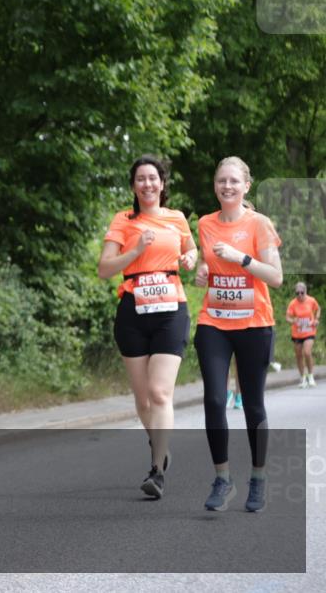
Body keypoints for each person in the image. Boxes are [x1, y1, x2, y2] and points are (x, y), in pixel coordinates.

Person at [97, 155, 196, 499]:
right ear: (133, 186)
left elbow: (192, 251)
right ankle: (159, 445)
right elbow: (105, 269)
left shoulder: (177, 218)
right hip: (133, 311)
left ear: (162, 183)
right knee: (142, 400)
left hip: (171, 309)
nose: (147, 184)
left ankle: (157, 471)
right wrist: (136, 249)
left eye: (153, 178)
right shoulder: (123, 220)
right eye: (140, 179)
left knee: (159, 393)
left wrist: (190, 258)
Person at [194, 156, 283, 513]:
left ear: (246, 186)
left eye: (233, 181)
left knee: (253, 404)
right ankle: (222, 478)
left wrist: (240, 258)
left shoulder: (259, 224)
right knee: (215, 400)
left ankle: (258, 478)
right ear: (215, 185)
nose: (226, 187)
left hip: (255, 324)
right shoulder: (204, 223)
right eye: (221, 181)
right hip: (214, 321)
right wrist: (202, 271)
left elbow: (275, 277)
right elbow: (207, 263)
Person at [286, 282, 319, 388]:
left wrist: (316, 319)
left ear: (305, 291)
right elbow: (288, 317)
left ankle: (311, 376)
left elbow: (318, 309)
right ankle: (303, 378)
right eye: (297, 293)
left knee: (307, 352)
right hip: (297, 332)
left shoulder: (311, 301)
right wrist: (293, 321)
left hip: (309, 330)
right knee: (299, 355)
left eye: (302, 292)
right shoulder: (293, 303)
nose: (299, 295)